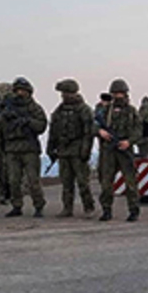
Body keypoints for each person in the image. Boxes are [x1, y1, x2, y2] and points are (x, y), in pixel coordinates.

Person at [0, 77, 49, 218]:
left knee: (33, 180)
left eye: (23, 91)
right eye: (18, 90)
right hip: (12, 148)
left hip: (29, 148)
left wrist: (27, 121)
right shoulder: (8, 107)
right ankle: (16, 205)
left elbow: (41, 126)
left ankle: (39, 205)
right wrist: (5, 117)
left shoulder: (34, 108)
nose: (20, 93)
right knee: (13, 180)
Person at [48, 79, 96, 218]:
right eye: (63, 93)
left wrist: (85, 150)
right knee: (66, 182)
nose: (63, 96)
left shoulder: (84, 110)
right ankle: (67, 208)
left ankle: (89, 207)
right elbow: (53, 130)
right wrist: (50, 148)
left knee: (82, 181)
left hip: (77, 150)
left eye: (66, 93)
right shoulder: (59, 110)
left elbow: (88, 133)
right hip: (63, 150)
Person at [96, 79, 141, 222]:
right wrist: (99, 131)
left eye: (120, 93)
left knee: (130, 182)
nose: (118, 96)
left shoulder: (131, 111)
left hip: (125, 149)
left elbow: (138, 130)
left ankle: (133, 210)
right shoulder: (105, 110)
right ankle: (106, 210)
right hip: (108, 150)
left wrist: (129, 142)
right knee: (106, 182)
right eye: (115, 93)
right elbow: (92, 124)